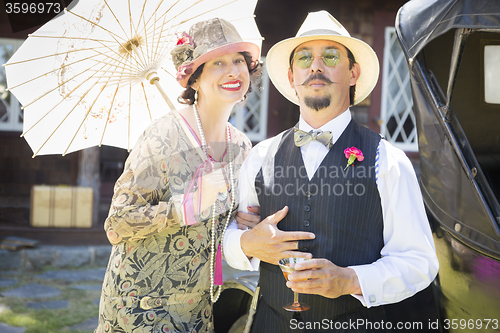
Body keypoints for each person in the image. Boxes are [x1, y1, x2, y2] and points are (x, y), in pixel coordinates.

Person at [223, 10, 439, 332]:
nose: (316, 65)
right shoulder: (260, 157)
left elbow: (420, 262)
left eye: (330, 55)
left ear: (353, 73)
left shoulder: (388, 161)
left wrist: (351, 279)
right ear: (292, 74)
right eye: (305, 57)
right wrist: (245, 245)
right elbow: (234, 235)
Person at [95, 18, 261, 333]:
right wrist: (186, 206)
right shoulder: (163, 135)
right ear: (193, 79)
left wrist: (240, 221)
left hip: (198, 308)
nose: (233, 71)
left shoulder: (241, 146)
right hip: (140, 306)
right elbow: (116, 224)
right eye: (218, 63)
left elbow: (217, 223)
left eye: (239, 60)